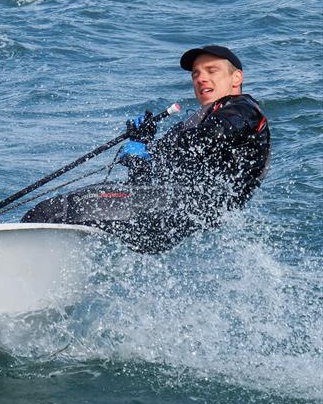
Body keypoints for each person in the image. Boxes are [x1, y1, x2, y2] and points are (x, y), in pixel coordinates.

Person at [22, 45, 271, 252]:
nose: (201, 78)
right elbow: (149, 179)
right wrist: (142, 149)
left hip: (196, 206)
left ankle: (19, 255)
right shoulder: (197, 120)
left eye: (211, 71)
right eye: (195, 74)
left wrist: (162, 146)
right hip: (171, 213)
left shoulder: (243, 108)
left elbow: (216, 135)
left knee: (58, 209)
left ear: (236, 77)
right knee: (73, 209)